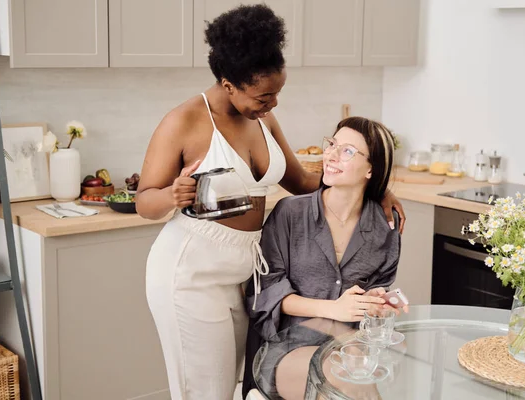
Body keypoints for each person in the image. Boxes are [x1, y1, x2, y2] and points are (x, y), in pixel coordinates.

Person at [136, 4, 405, 400]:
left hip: (245, 273)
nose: (273, 104)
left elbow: (301, 181)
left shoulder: (261, 117)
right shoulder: (185, 120)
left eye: (277, 92)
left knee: (236, 386)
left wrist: (374, 188)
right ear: (229, 84)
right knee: (204, 392)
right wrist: (171, 196)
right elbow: (145, 201)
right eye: (264, 96)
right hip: (191, 273)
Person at [244, 117, 403, 400]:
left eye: (348, 151)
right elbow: (264, 294)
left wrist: (380, 302)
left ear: (371, 169)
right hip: (288, 348)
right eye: (332, 144)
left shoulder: (384, 228)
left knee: (359, 379)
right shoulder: (290, 214)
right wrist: (334, 309)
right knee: (346, 382)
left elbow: (377, 291)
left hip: (349, 346)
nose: (330, 154)